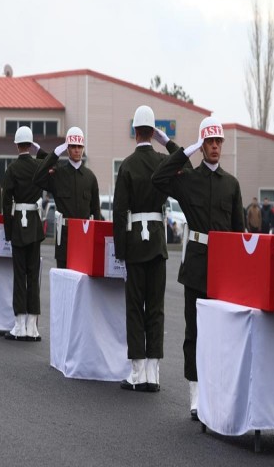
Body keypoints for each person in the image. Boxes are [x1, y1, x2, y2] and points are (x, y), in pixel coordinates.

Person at [152, 116, 245, 418]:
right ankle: (195, 392)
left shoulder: (231, 185)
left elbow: (239, 232)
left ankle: (218, 391)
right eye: (209, 142)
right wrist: (182, 151)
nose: (215, 147)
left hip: (224, 268)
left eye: (218, 142)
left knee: (221, 333)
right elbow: (159, 179)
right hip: (196, 265)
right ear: (202, 146)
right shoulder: (188, 178)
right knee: (194, 331)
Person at [113, 105, 180, 394]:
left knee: (134, 308)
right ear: (153, 132)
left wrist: (120, 250)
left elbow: (119, 211)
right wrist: (169, 144)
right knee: (156, 307)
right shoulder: (163, 162)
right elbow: (187, 167)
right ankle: (153, 373)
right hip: (157, 244)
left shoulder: (127, 165)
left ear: (134, 132)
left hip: (134, 245)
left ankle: (137, 372)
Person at [2, 126, 47, 341]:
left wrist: (8, 231)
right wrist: (40, 151)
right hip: (35, 225)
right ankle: (33, 326)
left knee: (20, 275)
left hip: (19, 226)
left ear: (17, 145)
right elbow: (52, 162)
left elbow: (5, 201)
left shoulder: (12, 169)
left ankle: (19, 325)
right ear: (30, 144)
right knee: (33, 275)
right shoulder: (39, 165)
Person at [33, 126, 101, 268]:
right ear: (67, 148)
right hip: (64, 238)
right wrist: (55, 153)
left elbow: (96, 212)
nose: (77, 150)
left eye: (79, 146)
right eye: (73, 146)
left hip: (84, 238)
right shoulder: (58, 174)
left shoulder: (90, 177)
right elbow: (38, 178)